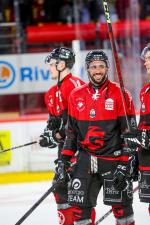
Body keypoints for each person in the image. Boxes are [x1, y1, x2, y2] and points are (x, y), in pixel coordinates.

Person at [60, 50, 137, 225]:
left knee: (123, 211)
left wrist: (125, 164)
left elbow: (129, 135)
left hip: (114, 160)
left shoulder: (121, 93)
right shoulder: (75, 95)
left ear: (108, 68)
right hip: (85, 159)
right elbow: (71, 134)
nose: (98, 70)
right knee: (79, 212)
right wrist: (63, 160)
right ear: (87, 69)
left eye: (101, 66)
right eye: (93, 67)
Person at [39, 47, 84, 225]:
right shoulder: (50, 94)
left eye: (51, 64)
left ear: (62, 65)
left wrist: (57, 135)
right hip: (63, 152)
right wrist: (48, 136)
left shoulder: (74, 85)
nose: (49, 68)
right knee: (60, 190)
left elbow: (78, 122)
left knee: (79, 195)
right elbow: (54, 124)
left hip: (80, 151)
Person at [124, 43, 150, 215]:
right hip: (147, 156)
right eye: (145, 59)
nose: (145, 62)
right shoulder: (145, 91)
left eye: (149, 59)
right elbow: (143, 125)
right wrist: (135, 149)